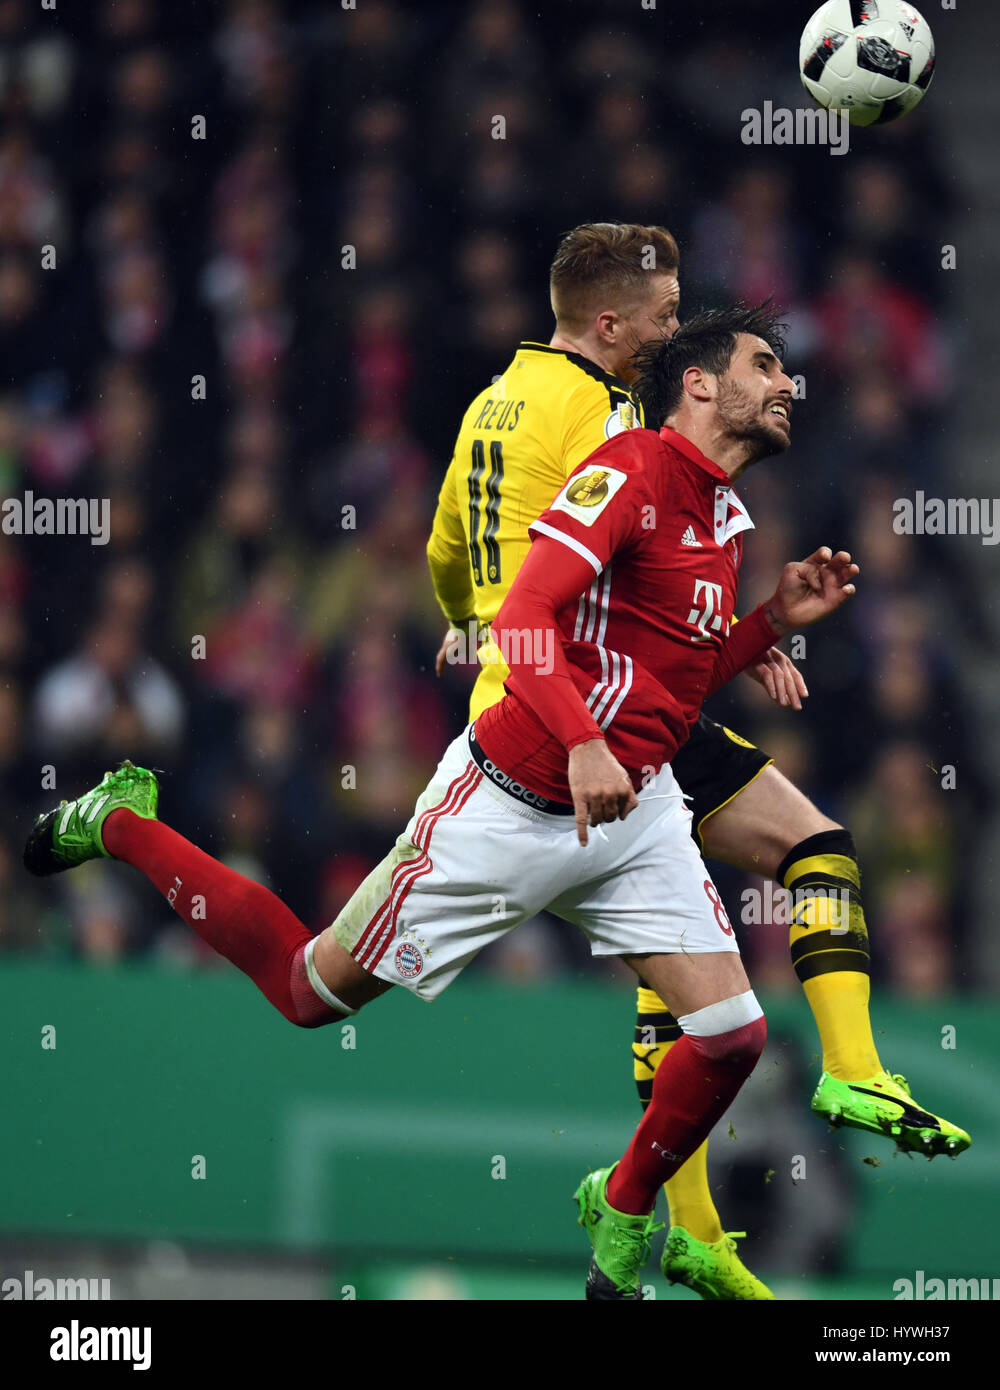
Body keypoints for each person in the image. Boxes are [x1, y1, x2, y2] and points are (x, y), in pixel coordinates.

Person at [28, 304, 870, 1302]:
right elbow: (517, 620)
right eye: (764, 364)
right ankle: (123, 821)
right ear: (696, 383)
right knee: (306, 990)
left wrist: (771, 617)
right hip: (506, 803)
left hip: (627, 816)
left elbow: (670, 689)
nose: (785, 384)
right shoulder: (630, 470)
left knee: (732, 1034)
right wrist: (585, 739)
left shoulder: (721, 521)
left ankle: (622, 1204)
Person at [426, 223, 969, 1299]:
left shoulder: (496, 401)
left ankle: (697, 1222)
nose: (677, 332)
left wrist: (464, 619)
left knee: (677, 963)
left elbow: (453, 540)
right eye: (669, 318)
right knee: (761, 884)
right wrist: (646, 657)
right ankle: (786, 1125)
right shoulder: (612, 418)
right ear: (613, 323)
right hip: (580, 705)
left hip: (555, 691)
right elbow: (598, 562)